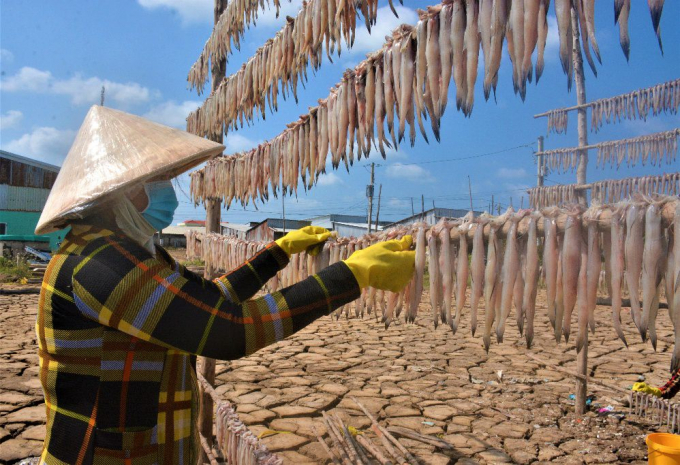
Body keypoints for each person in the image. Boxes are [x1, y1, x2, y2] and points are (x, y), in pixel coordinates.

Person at [34, 106, 415, 465]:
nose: (169, 191)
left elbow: (209, 301)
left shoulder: (130, 255)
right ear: (120, 192)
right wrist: (351, 276)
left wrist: (277, 253)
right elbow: (226, 330)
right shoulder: (98, 266)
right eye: (158, 181)